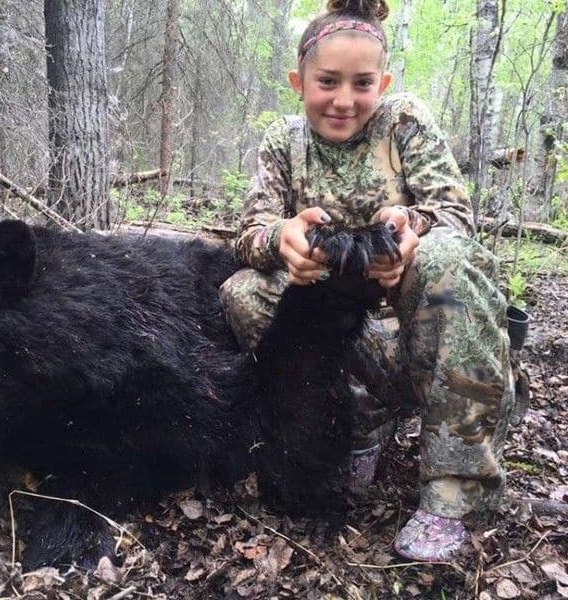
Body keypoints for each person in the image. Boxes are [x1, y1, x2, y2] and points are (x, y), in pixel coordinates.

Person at [219, 0, 514, 562]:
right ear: (298, 81)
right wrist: (280, 240)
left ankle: (453, 489)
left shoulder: (401, 122)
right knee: (243, 292)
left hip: (415, 321)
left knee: (447, 262)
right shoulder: (284, 142)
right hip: (342, 324)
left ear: (384, 82)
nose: (344, 100)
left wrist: (412, 232)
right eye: (327, 82)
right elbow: (247, 233)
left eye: (361, 84)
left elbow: (455, 216)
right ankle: (352, 427)